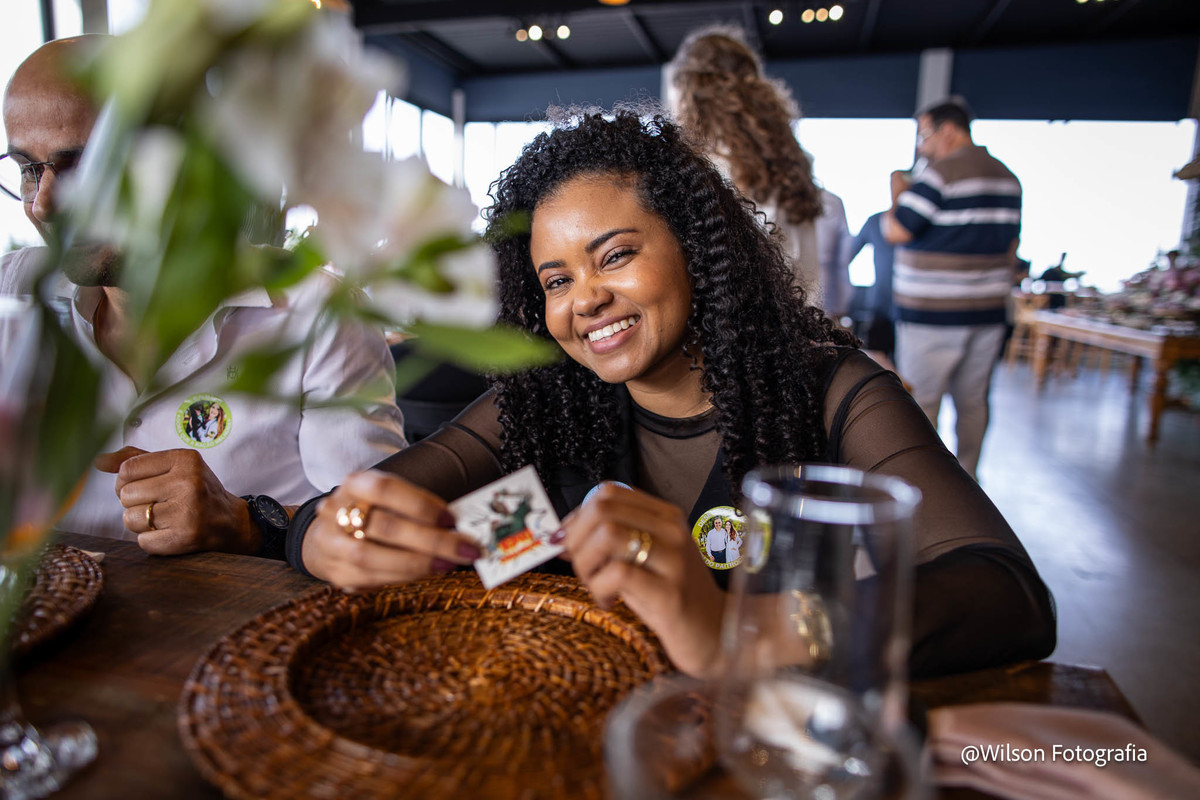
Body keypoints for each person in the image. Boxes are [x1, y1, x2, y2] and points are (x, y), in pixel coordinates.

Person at [286, 111, 1055, 680]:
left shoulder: (830, 391)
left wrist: (738, 629)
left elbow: (1009, 595)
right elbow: (352, 510)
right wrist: (330, 534)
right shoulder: (547, 397)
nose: (585, 299)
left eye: (615, 255)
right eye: (556, 280)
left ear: (694, 248)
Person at [0, 37, 407, 556]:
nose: (44, 204)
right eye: (29, 169)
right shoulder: (12, 293)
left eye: (85, 167)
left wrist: (245, 522)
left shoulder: (319, 312)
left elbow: (380, 529)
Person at [883, 100, 1021, 478]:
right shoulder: (1008, 178)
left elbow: (896, 229)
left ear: (948, 130)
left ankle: (924, 484)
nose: (922, 146)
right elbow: (1011, 247)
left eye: (924, 136)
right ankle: (968, 480)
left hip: (933, 314)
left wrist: (897, 191)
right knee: (973, 401)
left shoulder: (939, 174)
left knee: (920, 402)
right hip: (988, 311)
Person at [666, 27, 824, 301]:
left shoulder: (707, 160)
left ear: (689, 87)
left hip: (745, 313)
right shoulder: (788, 154)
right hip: (799, 309)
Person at [845, 210, 897, 355]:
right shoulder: (875, 221)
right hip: (884, 307)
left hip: (889, 304)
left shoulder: (875, 221)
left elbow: (845, 257)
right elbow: (846, 256)